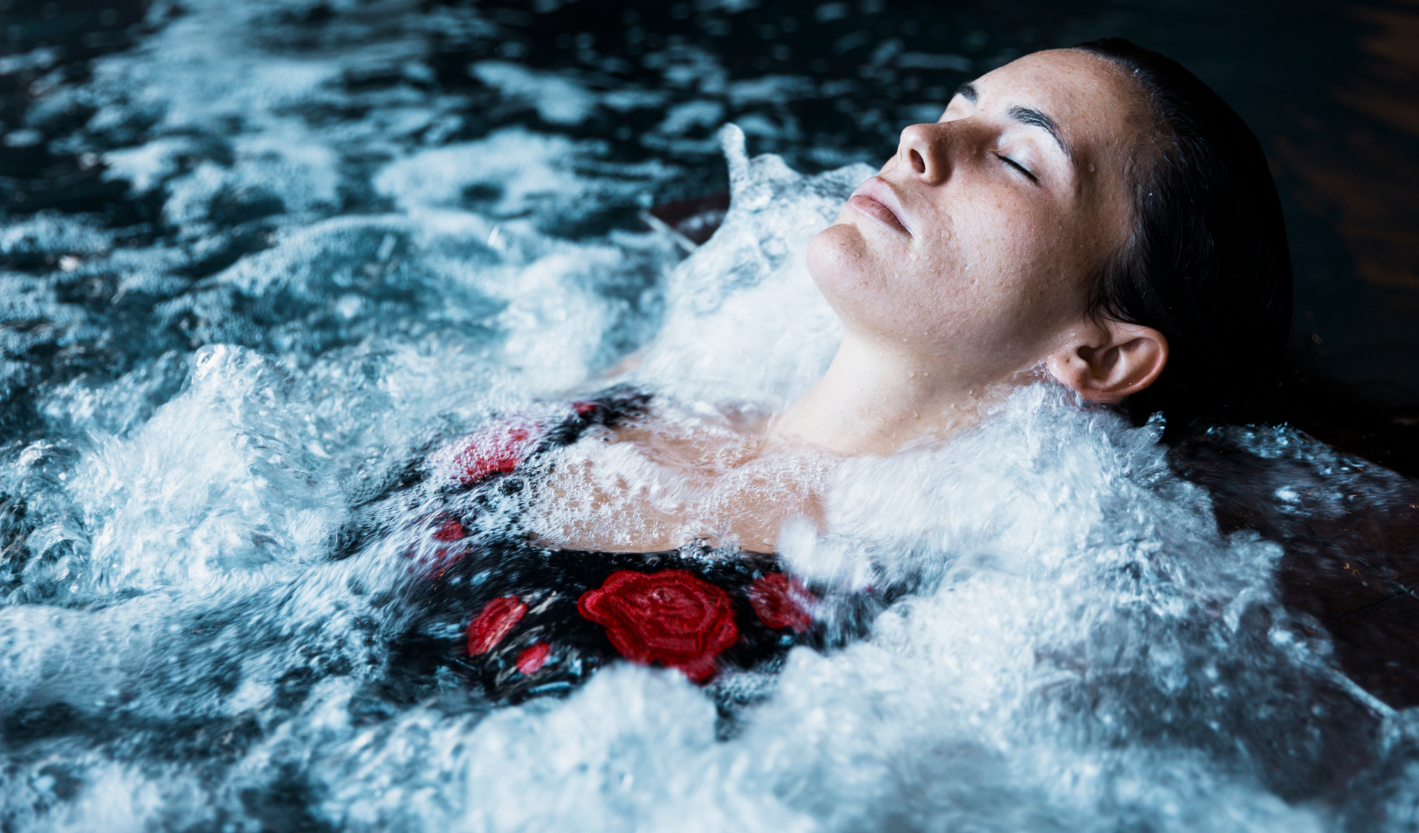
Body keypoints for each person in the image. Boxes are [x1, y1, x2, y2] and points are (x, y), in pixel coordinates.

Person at [392, 37, 1293, 700]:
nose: (917, 141)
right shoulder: (685, 365)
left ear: (1097, 354)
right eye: (953, 110)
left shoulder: (930, 627)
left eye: (1018, 159)